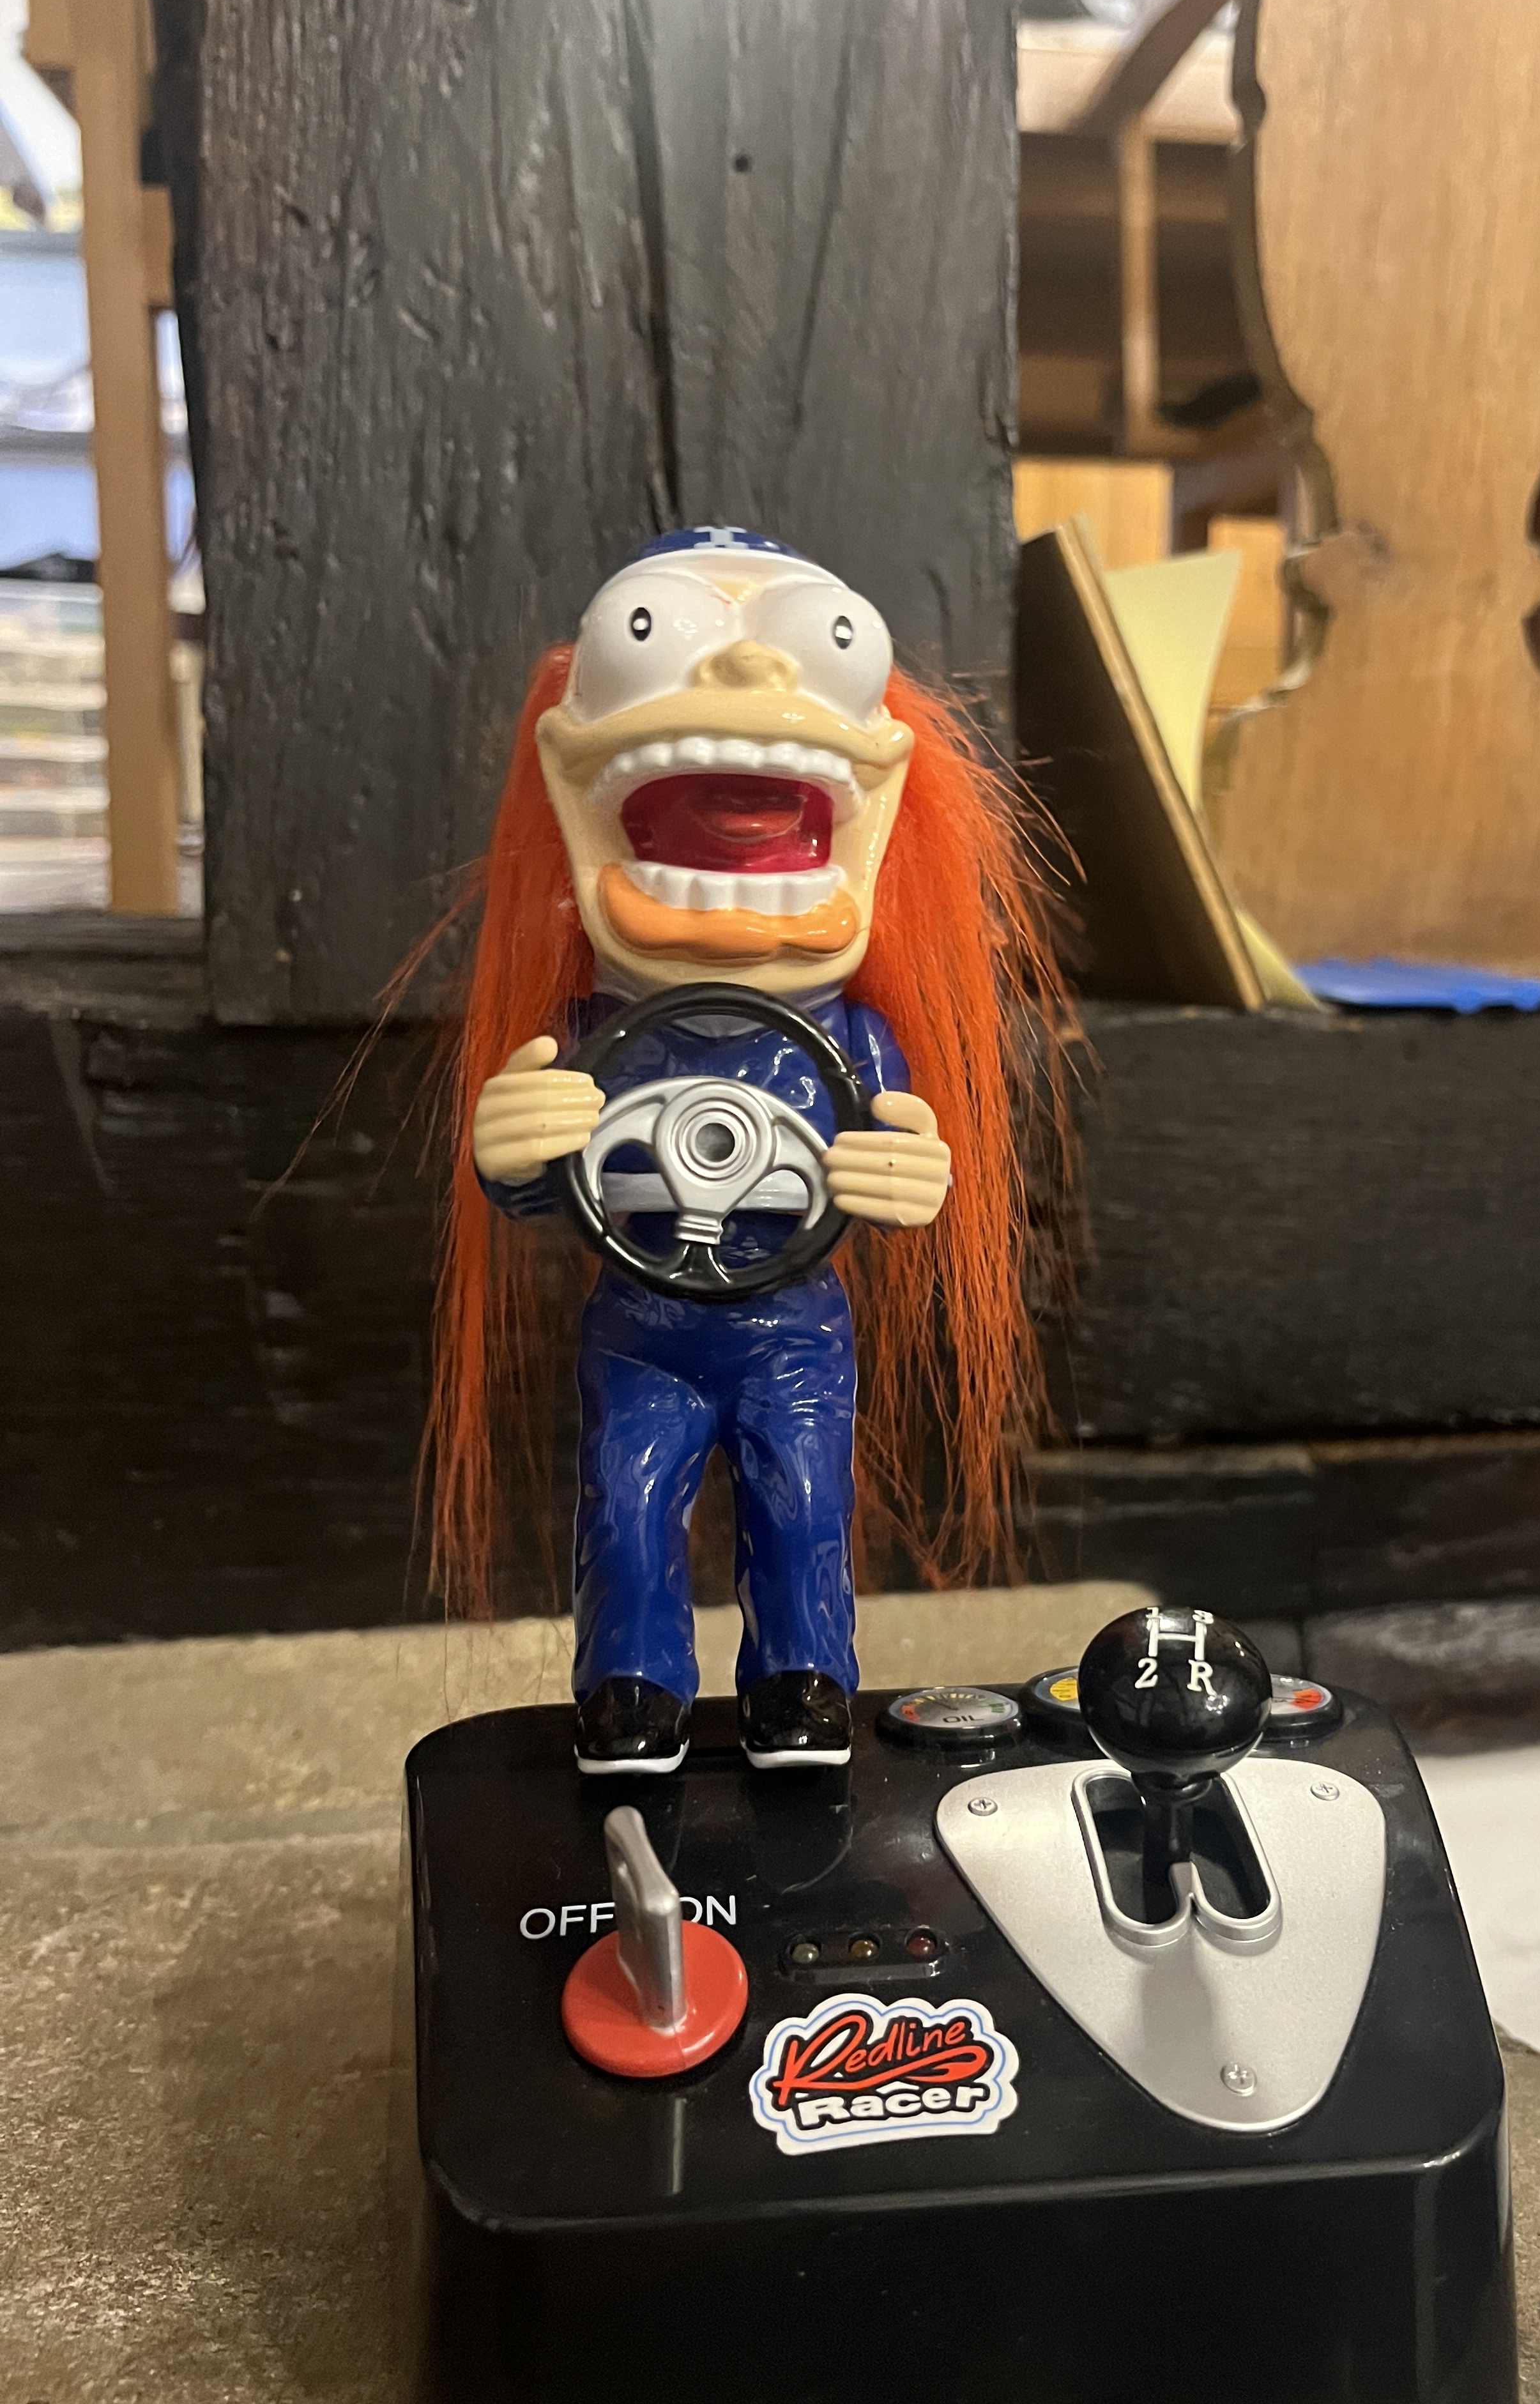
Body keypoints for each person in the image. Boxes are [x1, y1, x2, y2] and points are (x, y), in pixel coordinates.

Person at [425, 527, 1071, 1772]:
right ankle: (632, 1688)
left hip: (795, 1328)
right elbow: (536, 1188)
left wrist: (906, 1173)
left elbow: (899, 1158)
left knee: (805, 1501)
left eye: (818, 648)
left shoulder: (858, 1046)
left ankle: (802, 1682)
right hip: (641, 1324)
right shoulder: (586, 1041)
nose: (746, 676)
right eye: (656, 637)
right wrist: (514, 1151)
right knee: (626, 1502)